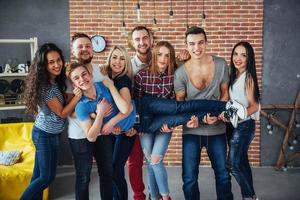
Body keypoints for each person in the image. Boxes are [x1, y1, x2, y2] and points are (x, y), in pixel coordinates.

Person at [174, 26, 234, 200]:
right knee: (189, 178)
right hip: (191, 131)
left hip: (218, 130)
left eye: (200, 43)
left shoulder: (221, 64)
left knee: (223, 174)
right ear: (186, 45)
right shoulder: (180, 73)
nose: (197, 48)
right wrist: (188, 121)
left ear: (206, 43)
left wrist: (216, 115)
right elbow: (180, 104)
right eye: (192, 44)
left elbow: (225, 95)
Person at [21, 43, 82, 200]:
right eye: (51, 62)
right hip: (44, 135)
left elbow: (61, 100)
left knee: (38, 176)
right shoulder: (45, 87)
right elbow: (62, 113)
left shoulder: (54, 80)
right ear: (43, 65)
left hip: (51, 134)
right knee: (46, 177)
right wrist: (77, 97)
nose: (57, 65)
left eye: (58, 60)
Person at [66, 33, 113, 200]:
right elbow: (68, 110)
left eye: (87, 46)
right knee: (83, 177)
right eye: (80, 46)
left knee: (107, 173)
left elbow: (111, 100)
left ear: (92, 49)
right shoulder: (67, 76)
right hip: (79, 135)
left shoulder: (100, 71)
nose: (84, 49)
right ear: (73, 50)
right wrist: (95, 113)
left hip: (102, 133)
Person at [134, 41, 178, 200]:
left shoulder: (175, 75)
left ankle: (165, 197)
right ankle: (154, 197)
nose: (163, 58)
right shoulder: (141, 75)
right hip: (146, 125)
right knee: (150, 162)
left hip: (165, 124)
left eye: (167, 55)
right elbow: (137, 104)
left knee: (155, 160)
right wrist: (139, 127)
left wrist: (172, 124)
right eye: (160, 54)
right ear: (154, 55)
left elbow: (177, 104)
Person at [100, 45, 137, 200]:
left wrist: (111, 124)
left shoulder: (122, 80)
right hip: (115, 131)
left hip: (125, 132)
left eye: (122, 58)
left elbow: (126, 108)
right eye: (114, 57)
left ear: (126, 63)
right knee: (113, 170)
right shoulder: (108, 77)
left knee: (115, 170)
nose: (118, 62)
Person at [225, 41, 260, 200]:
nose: (238, 58)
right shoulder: (235, 76)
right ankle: (251, 196)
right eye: (236, 54)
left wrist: (238, 116)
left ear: (249, 58)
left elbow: (254, 106)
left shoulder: (248, 78)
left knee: (232, 165)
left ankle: (249, 197)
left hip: (244, 126)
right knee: (242, 164)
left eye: (243, 55)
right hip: (234, 126)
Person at [128, 25, 153, 200]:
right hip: (133, 122)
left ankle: (156, 194)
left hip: (155, 120)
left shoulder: (161, 61)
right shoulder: (127, 66)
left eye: (145, 38)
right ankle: (139, 196)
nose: (142, 42)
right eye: (137, 39)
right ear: (132, 42)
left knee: (154, 160)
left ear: (151, 39)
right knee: (135, 161)